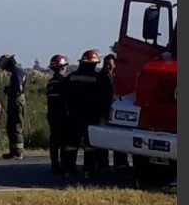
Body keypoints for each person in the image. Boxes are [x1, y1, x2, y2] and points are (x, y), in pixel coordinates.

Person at [61, 49, 113, 179]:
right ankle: (89, 171)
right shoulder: (100, 79)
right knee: (90, 146)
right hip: (92, 117)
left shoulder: (71, 77)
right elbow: (107, 98)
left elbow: (62, 95)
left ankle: (69, 170)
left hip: (73, 116)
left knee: (71, 145)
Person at [97, 54, 129, 171]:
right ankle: (102, 165)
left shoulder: (120, 78)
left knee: (119, 139)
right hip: (104, 113)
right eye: (105, 64)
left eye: (109, 65)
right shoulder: (100, 78)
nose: (107, 67)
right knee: (103, 140)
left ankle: (120, 165)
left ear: (115, 65)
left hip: (117, 114)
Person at [0, 54, 27, 160]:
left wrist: (8, 90)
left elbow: (18, 89)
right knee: (10, 126)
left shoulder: (16, 72)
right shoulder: (17, 71)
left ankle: (18, 152)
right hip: (15, 100)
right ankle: (13, 151)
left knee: (16, 126)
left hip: (16, 100)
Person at [46, 54, 69, 174]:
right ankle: (64, 165)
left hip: (52, 115)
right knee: (63, 142)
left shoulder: (50, 83)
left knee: (54, 142)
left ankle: (55, 165)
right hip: (62, 115)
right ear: (62, 68)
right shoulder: (63, 82)